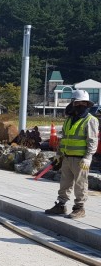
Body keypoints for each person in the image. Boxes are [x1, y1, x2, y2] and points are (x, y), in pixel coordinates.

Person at [45, 89, 99, 219]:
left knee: (80, 184)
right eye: (77, 102)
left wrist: (88, 157)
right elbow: (64, 139)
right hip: (67, 157)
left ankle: (79, 208)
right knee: (65, 183)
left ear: (87, 104)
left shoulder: (90, 120)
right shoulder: (69, 120)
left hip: (81, 160)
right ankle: (61, 205)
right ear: (73, 103)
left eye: (83, 103)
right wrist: (59, 154)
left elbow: (92, 140)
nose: (80, 105)